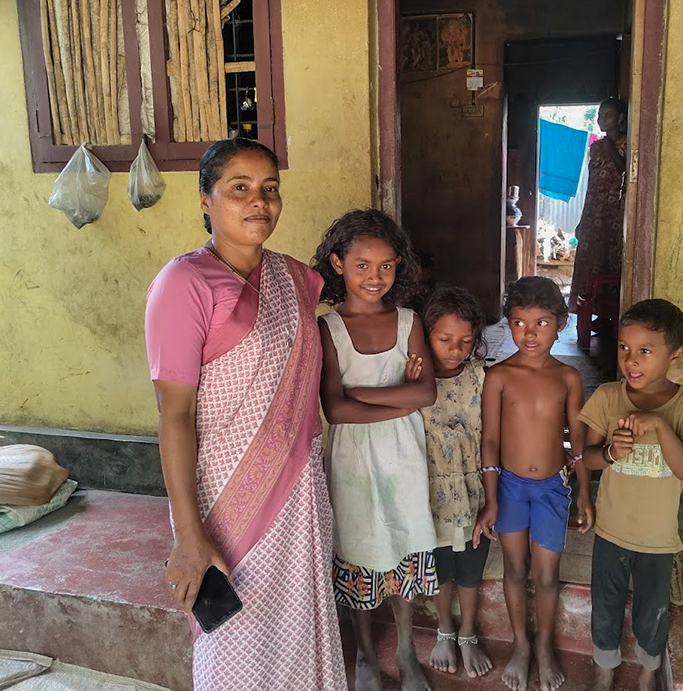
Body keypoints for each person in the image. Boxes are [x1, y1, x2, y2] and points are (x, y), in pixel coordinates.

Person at [144, 138, 346, 689]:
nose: (260, 201)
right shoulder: (184, 284)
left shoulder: (295, 280)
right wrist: (189, 536)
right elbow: (174, 415)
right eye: (240, 188)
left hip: (300, 495)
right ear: (206, 200)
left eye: (270, 188)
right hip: (226, 504)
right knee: (236, 640)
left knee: (301, 629)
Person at [314, 209, 439, 691]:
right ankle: (366, 653)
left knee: (405, 538)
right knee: (360, 545)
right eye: (363, 265)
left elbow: (425, 394)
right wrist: (392, 397)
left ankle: (407, 652)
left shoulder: (408, 320)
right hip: (351, 463)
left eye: (387, 266)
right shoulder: (329, 329)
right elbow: (335, 412)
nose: (375, 277)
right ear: (338, 263)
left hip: (404, 459)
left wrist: (360, 394)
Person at [578, 299, 683, 691]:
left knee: (651, 611)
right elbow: (586, 458)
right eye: (624, 348)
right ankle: (605, 668)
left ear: (675, 354)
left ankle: (648, 670)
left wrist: (658, 424)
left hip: (657, 540)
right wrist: (609, 452)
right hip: (611, 531)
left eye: (644, 351)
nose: (631, 360)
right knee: (605, 608)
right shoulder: (607, 397)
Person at [473, 276, 594, 691]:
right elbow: (489, 439)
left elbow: (577, 441)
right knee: (515, 568)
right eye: (519, 322)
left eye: (542, 323)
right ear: (508, 323)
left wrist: (583, 490)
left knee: (545, 575)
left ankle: (544, 644)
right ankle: (520, 644)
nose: (530, 333)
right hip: (507, 488)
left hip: (551, 491)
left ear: (560, 323)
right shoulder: (499, 376)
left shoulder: (568, 377)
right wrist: (490, 501)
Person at [418, 286, 493, 680]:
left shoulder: (482, 377)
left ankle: (467, 633)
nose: (455, 349)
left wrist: (493, 500)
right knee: (441, 567)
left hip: (472, 493)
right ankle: (444, 628)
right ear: (427, 334)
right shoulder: (412, 377)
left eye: (465, 341)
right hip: (428, 493)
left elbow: (494, 438)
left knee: (470, 566)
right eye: (444, 339)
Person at [567, 97, 627, 313]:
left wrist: (610, 145)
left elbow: (625, 171)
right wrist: (583, 219)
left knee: (610, 262)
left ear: (620, 118)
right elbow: (592, 185)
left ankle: (607, 313)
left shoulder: (627, 144)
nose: (602, 120)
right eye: (600, 115)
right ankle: (589, 310)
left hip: (616, 214)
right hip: (593, 211)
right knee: (590, 261)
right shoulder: (595, 147)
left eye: (608, 115)